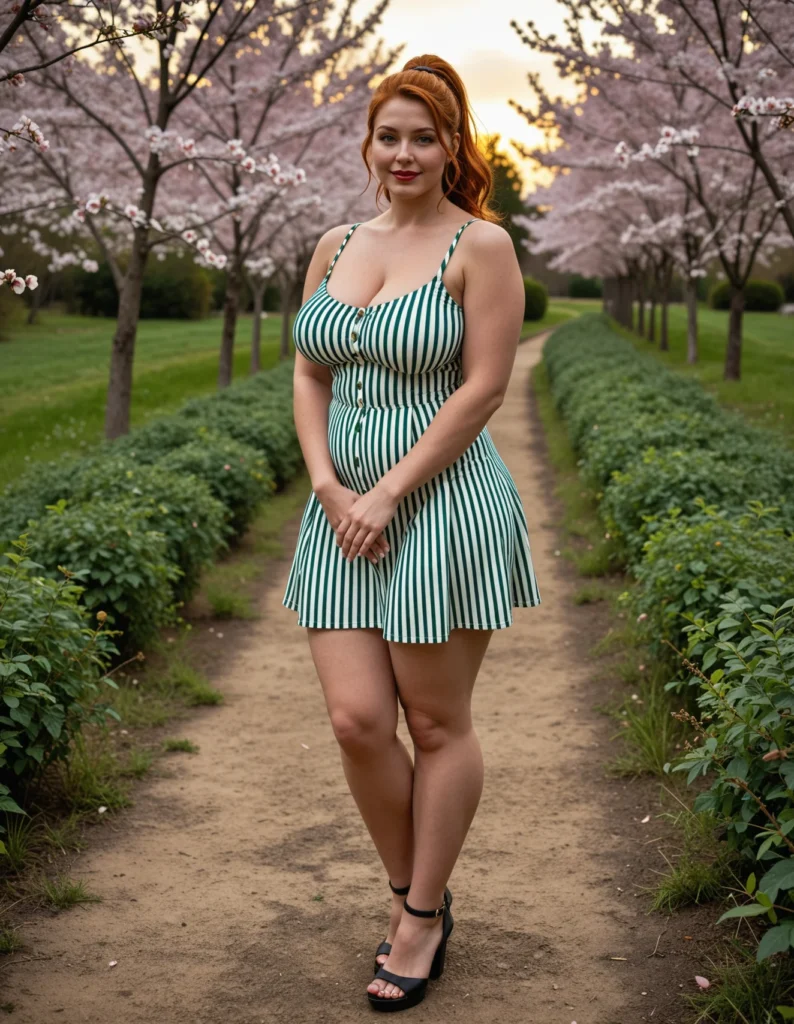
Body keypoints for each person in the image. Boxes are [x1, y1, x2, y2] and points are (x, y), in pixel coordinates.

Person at [282, 54, 542, 1012]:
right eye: (388, 135)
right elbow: (309, 371)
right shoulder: (333, 242)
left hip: (438, 509)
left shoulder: (481, 246)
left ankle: (420, 920)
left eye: (422, 137)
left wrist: (387, 492)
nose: (403, 153)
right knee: (356, 720)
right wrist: (326, 485)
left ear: (450, 146)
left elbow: (483, 388)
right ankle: (413, 892)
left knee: (435, 724)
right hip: (337, 514)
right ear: (370, 142)